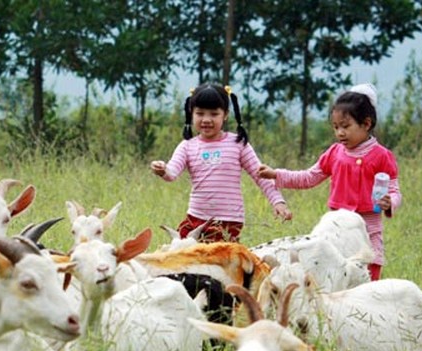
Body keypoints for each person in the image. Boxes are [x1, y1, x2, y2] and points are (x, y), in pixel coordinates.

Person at [258, 83, 401, 281]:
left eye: (346, 126)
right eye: (336, 127)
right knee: (334, 277)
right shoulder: (335, 153)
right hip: (337, 230)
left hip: (368, 230)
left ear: (366, 124)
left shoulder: (382, 156)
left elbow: (394, 190)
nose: (340, 132)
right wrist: (276, 174)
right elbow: (309, 177)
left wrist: (390, 201)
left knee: (368, 278)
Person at [150, 83, 292, 243]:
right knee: (180, 251)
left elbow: (261, 176)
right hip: (195, 218)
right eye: (200, 113)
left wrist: (278, 202)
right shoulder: (187, 146)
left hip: (228, 221)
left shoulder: (238, 144)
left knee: (215, 256)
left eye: (214, 114)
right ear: (191, 113)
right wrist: (162, 169)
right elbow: (172, 173)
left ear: (225, 115)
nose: (206, 120)